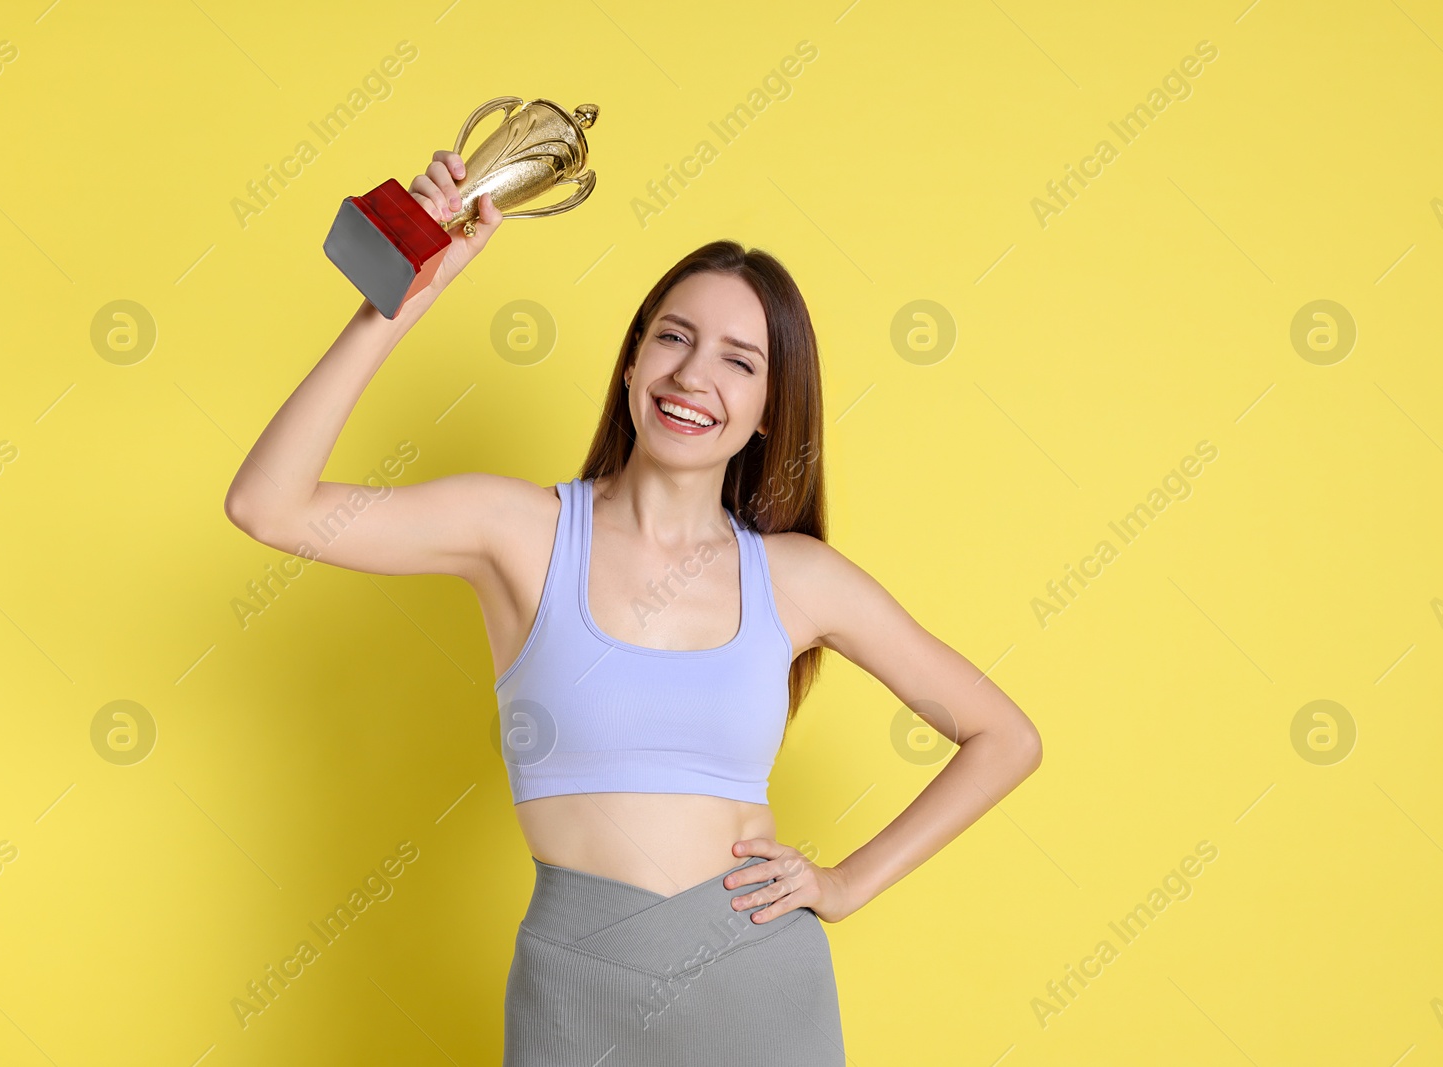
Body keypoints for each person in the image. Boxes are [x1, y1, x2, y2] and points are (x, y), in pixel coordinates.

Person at [224, 147, 1044, 1065]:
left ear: (769, 411)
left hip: (761, 990)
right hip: (576, 992)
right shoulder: (517, 530)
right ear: (631, 362)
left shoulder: (798, 578)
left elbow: (1005, 737)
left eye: (740, 361)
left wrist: (847, 883)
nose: (695, 375)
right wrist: (406, 294)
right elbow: (268, 505)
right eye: (673, 337)